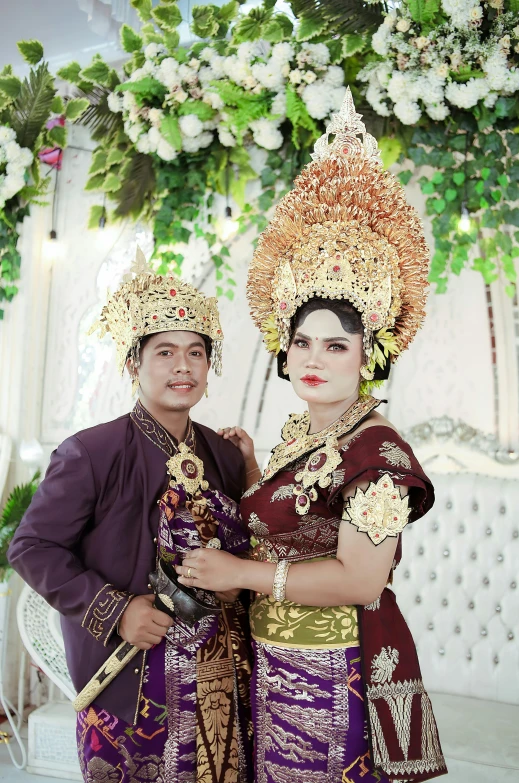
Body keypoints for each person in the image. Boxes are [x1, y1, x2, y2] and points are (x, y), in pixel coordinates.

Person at [173, 90, 448, 782]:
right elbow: (308, 519)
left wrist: (240, 573)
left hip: (333, 670)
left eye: (335, 346)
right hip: (274, 657)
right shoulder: (307, 429)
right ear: (284, 351)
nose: (314, 360)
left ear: (369, 354)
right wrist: (253, 465)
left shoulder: (380, 456)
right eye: (302, 343)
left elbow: (361, 577)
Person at [8, 251, 254, 783]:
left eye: (196, 352)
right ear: (132, 364)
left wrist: (251, 475)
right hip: (129, 679)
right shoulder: (91, 452)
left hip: (217, 678)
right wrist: (116, 610)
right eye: (164, 352)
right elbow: (31, 548)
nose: (183, 367)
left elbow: (250, 552)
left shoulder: (226, 455)